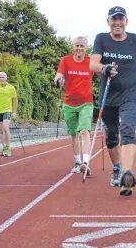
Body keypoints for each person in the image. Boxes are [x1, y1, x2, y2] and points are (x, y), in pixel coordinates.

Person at [90, 6, 136, 196]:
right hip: (108, 96)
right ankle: (116, 167)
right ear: (108, 21)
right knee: (110, 137)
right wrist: (105, 68)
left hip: (130, 96)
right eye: (113, 19)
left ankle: (126, 174)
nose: (117, 22)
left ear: (126, 21)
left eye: (121, 18)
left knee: (127, 130)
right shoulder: (101, 39)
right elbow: (93, 64)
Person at [54, 36, 94, 175]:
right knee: (73, 134)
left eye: (82, 46)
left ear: (86, 48)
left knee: (84, 131)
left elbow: (102, 70)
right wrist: (59, 80)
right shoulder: (66, 60)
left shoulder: (91, 62)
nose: (79, 48)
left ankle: (86, 162)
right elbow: (58, 75)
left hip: (86, 103)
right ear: (73, 48)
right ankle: (77, 162)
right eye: (77, 46)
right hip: (69, 103)